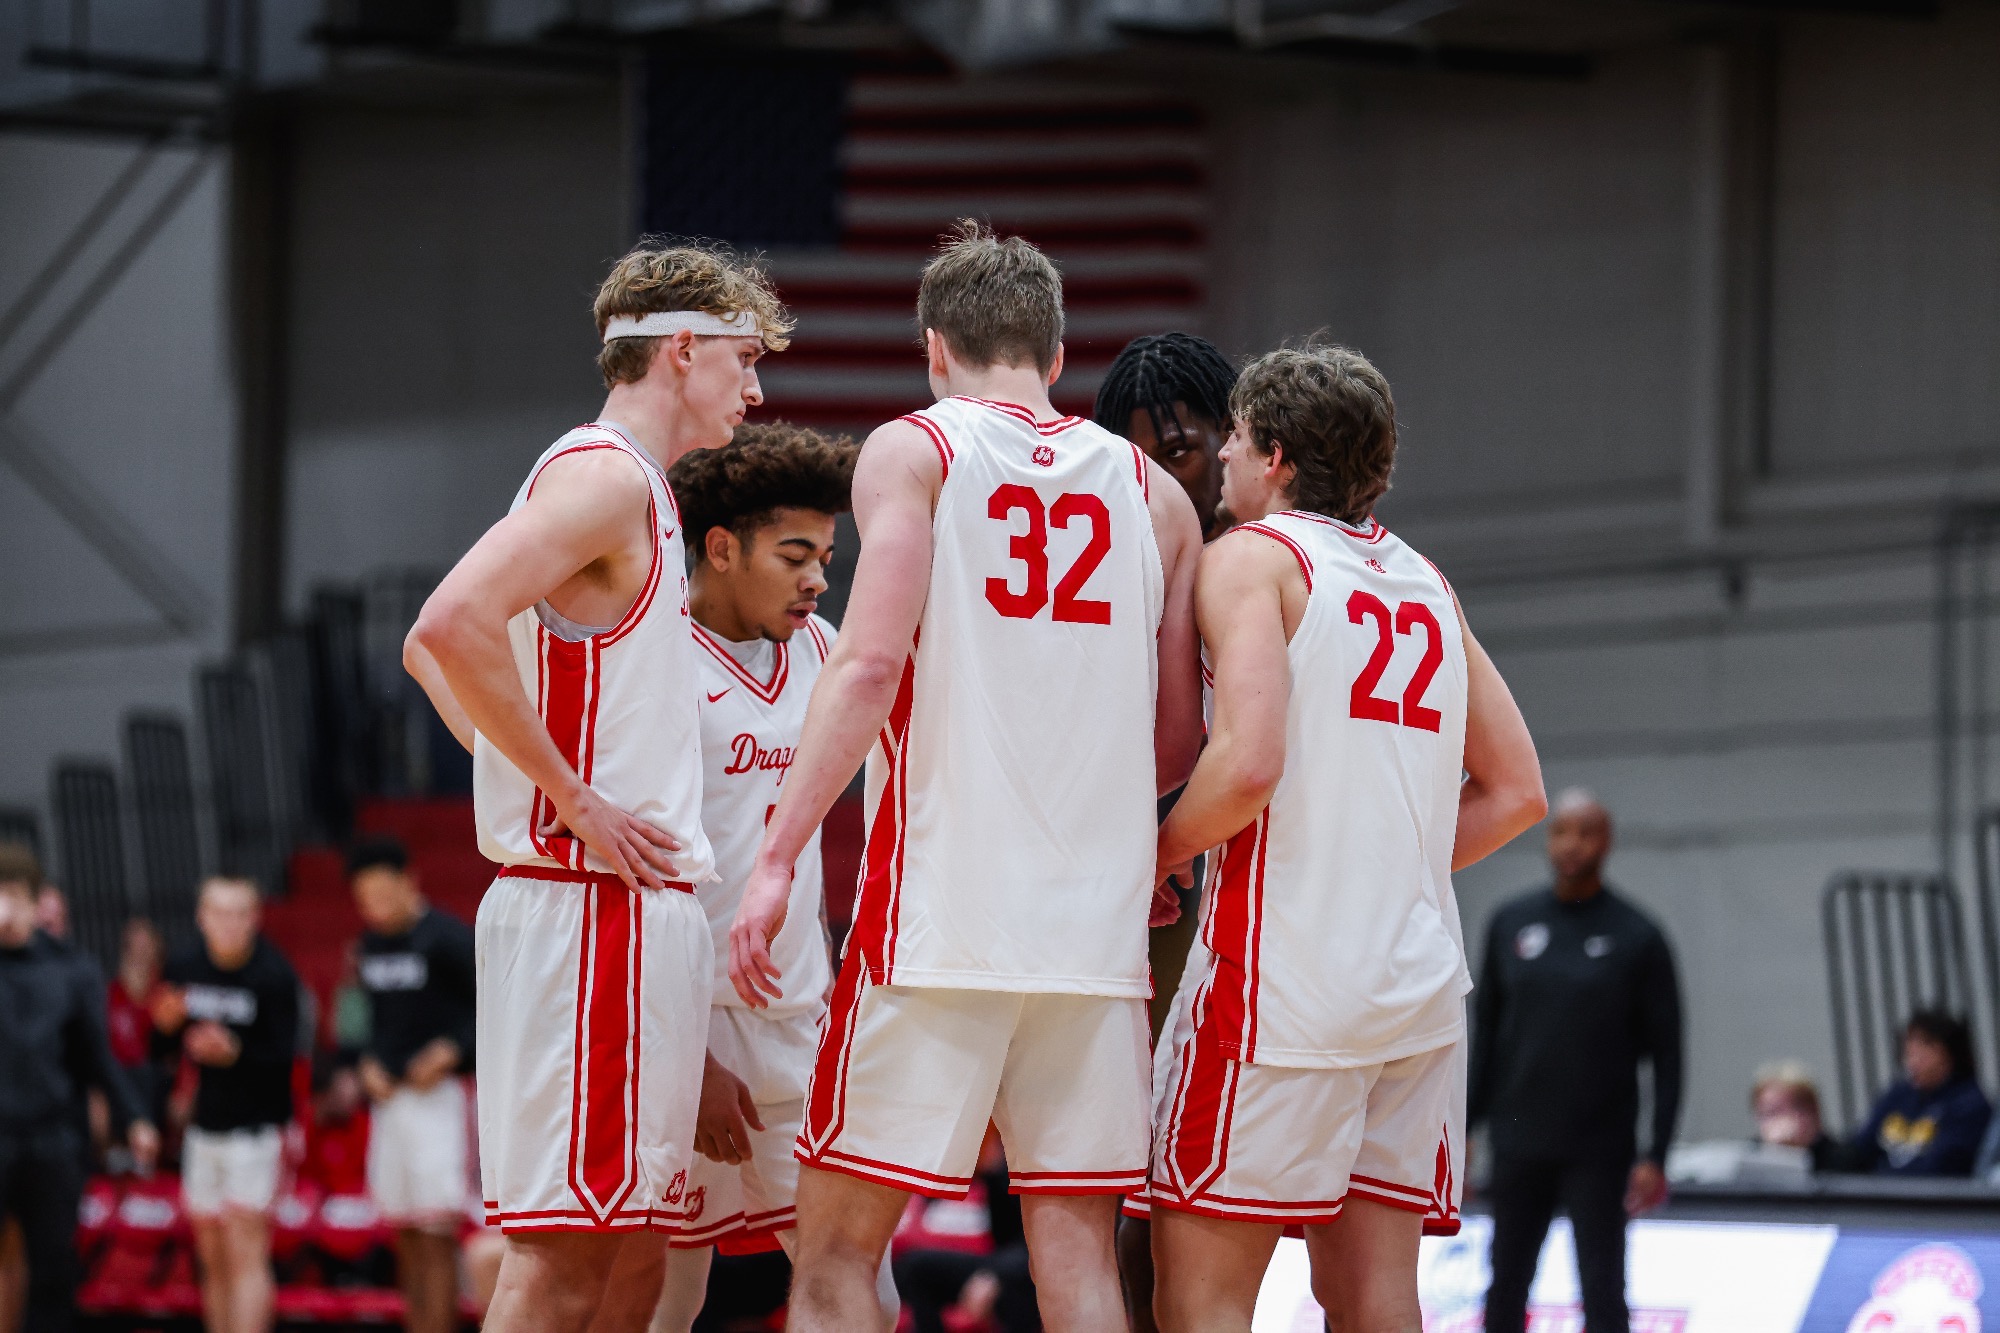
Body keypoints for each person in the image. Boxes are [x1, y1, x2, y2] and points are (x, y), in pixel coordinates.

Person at [730, 221, 1206, 1332]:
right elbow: (1177, 740)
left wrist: (777, 855)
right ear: (1054, 354)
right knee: (1079, 1262)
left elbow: (867, 662)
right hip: (1090, 938)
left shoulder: (915, 449)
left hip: (939, 921)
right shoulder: (1158, 497)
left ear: (934, 349)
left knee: (837, 1255)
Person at [405, 240, 789, 1333]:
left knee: (628, 1270)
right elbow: (443, 629)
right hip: (589, 914)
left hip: (632, 918)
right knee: (566, 1265)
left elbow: (435, 664)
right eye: (744, 360)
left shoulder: (641, 492)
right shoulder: (604, 476)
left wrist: (530, 773)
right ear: (681, 350)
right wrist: (567, 796)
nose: (755, 388)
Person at [1140, 345, 1546, 1333]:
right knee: (1373, 1302)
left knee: (1199, 1303)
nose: (1222, 460)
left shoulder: (1253, 558)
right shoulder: (1423, 580)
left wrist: (1152, 852)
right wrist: (1377, 866)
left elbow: (1245, 765)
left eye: (1234, 439)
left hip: (1279, 989)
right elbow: (1516, 791)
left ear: (1274, 456)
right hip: (1413, 994)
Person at [647, 424, 898, 1332]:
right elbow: (633, 871)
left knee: (857, 1278)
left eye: (827, 555)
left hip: (797, 1021)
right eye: (796, 555)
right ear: (720, 548)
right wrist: (686, 1054)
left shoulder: (826, 650)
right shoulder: (653, 657)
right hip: (683, 1019)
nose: (818, 577)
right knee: (661, 1289)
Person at [1092, 330, 1240, 1333]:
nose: (1160, 478)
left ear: (1233, 443)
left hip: (1233, 887)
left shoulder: (1261, 563)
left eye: (1179, 451)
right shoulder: (1110, 561)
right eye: (1138, 455)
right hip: (1139, 882)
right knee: (1119, 1181)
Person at [1469, 790, 1683, 1333]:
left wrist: (1656, 1151)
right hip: (1518, 1141)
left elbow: (1668, 1055)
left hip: (1600, 1148)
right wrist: (1465, 1128)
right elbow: (1487, 1036)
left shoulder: (1639, 936)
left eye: (1586, 832)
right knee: (1506, 1282)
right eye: (1561, 831)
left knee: (1603, 1289)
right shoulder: (1510, 924)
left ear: (1606, 842)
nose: (1572, 844)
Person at [0, 844, 157, 1333]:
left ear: (33, 901)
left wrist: (133, 1117)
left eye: (10, 894)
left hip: (54, 1137)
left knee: (54, 1267)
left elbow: (97, 1056)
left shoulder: (73, 969)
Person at [155, 876, 301, 1333]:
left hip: (256, 1132)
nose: (229, 923)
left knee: (246, 1251)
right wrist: (164, 1026)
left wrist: (234, 1051)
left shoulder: (275, 975)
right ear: (201, 917)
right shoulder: (183, 964)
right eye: (219, 912)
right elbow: (159, 1047)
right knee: (212, 1255)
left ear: (255, 917)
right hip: (204, 1129)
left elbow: (286, 1059)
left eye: (240, 913)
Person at [347, 835, 477, 1333]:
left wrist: (450, 1051)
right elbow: (364, 1021)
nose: (374, 909)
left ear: (409, 882)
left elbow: (490, 1005)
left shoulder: (446, 937)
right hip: (391, 1103)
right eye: (365, 900)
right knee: (405, 1233)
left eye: (382, 895)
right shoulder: (368, 945)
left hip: (441, 1101)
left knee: (436, 1233)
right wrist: (365, 1063)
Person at [1093, 331, 1237, 543]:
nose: (1155, 485)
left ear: (1230, 433)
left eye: (1175, 452)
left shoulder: (1287, 549)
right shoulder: (1103, 564)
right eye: (1134, 465)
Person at [1842, 1010, 1991, 1177]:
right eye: (1909, 1054)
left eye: (1920, 1054)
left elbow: (1941, 1167)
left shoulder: (1970, 1104)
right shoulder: (1899, 1095)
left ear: (1946, 1053)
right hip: (1881, 1195)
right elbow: (1859, 1148)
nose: (1912, 1063)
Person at [1750, 1061, 1838, 1171]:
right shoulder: (1747, 1157)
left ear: (1814, 1112)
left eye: (1792, 1111)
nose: (1782, 1121)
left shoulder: (1845, 1158)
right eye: (1771, 1113)